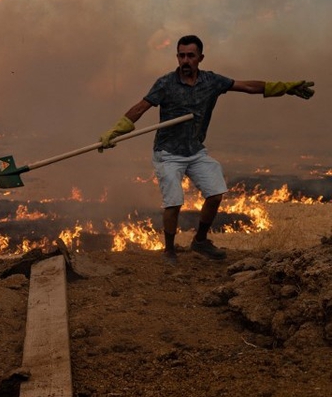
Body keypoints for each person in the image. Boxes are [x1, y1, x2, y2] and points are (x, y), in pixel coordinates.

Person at [99, 35, 314, 265]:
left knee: (215, 193)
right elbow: (140, 108)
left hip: (195, 151)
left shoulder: (212, 82)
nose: (185, 60)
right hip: (168, 154)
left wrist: (285, 87)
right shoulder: (165, 84)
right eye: (181, 55)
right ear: (177, 57)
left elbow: (248, 86)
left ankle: (200, 241)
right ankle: (169, 251)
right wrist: (115, 132)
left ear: (200, 58)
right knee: (173, 202)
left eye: (190, 56)